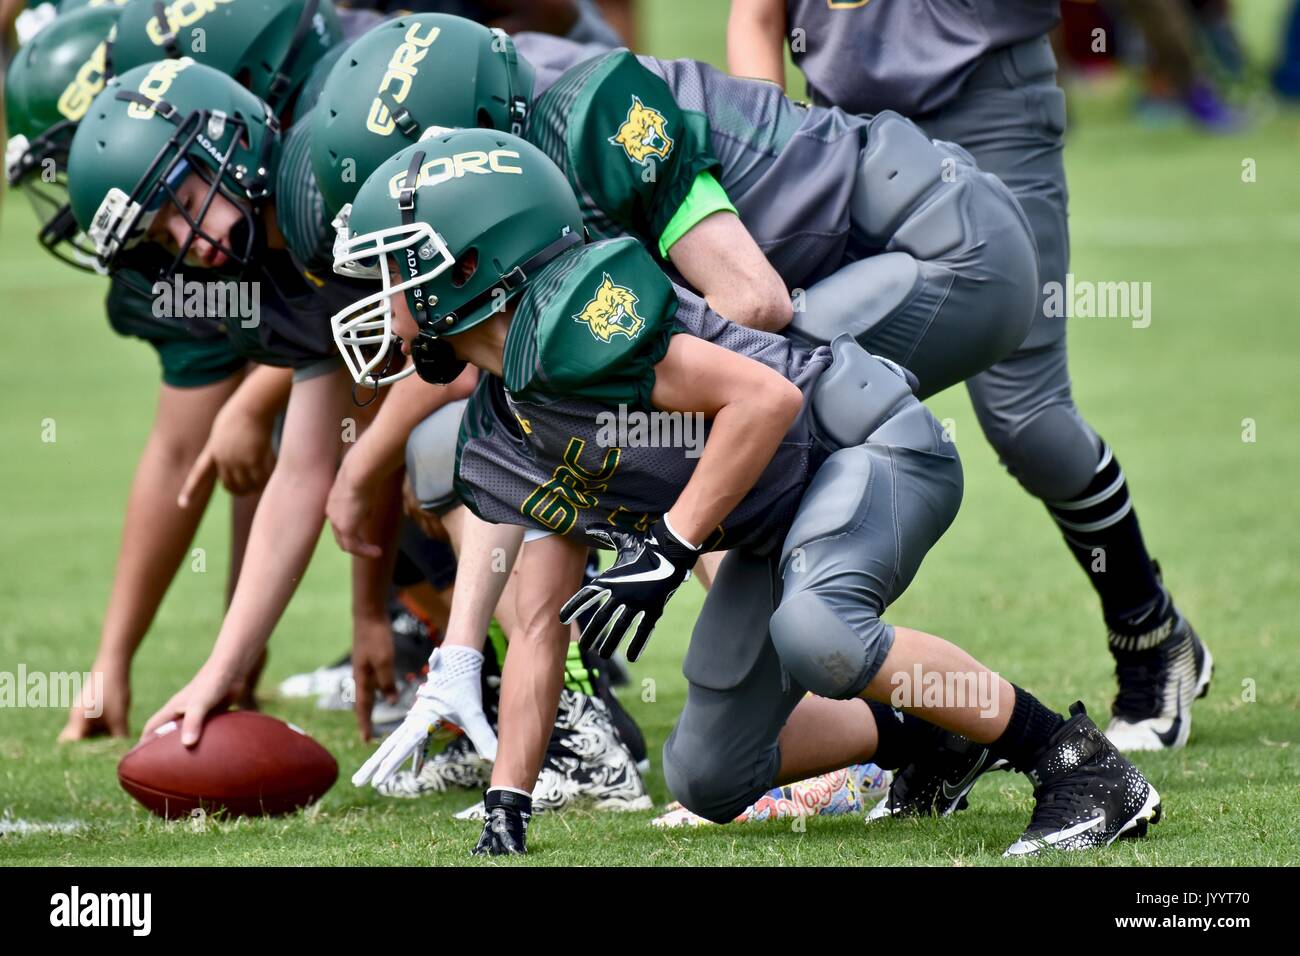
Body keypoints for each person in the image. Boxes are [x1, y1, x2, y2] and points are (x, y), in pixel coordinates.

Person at [341, 129, 1162, 858]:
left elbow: (766, 400)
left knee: (820, 630)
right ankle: (930, 735)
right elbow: (537, 630)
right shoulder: (499, 434)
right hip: (777, 517)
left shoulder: (585, 320)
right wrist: (507, 804)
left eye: (391, 265)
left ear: (471, 265)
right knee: (707, 774)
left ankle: (1082, 768)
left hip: (862, 440)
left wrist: (671, 540)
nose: (377, 296)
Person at [727, 0, 1212, 759]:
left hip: (988, 108)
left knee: (1028, 417)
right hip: (840, 137)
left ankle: (1151, 633)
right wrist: (769, 152)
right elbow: (756, 16)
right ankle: (848, 733)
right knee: (804, 398)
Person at [4, 6, 282, 738]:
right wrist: (112, 659)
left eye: (69, 166)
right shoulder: (176, 248)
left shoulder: (278, 150)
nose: (79, 200)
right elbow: (186, 448)